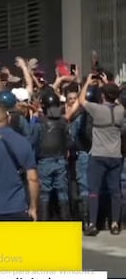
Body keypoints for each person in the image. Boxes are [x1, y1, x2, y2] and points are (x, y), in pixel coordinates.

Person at [78, 74, 124, 235]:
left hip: (98, 155)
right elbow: (116, 100)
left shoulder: (97, 109)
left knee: (93, 191)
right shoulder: (120, 111)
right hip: (115, 156)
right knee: (115, 191)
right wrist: (107, 84)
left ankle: (92, 223)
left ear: (102, 95)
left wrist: (87, 82)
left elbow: (81, 99)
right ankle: (115, 224)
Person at [30, 92, 71, 220]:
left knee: (44, 193)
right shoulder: (63, 122)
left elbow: (33, 142)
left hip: (44, 161)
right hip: (60, 160)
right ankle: (65, 220)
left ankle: (44, 222)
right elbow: (69, 140)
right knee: (62, 192)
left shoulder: (39, 123)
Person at [70, 86, 99, 223]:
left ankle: (86, 219)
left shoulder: (78, 119)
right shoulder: (102, 117)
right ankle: (99, 219)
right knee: (98, 187)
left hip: (83, 154)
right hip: (99, 154)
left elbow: (72, 138)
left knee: (84, 188)